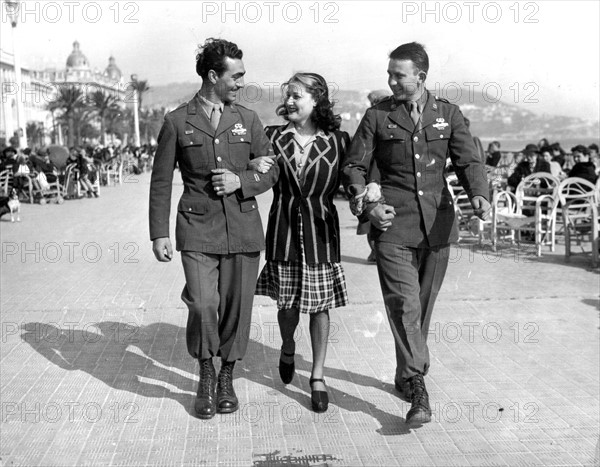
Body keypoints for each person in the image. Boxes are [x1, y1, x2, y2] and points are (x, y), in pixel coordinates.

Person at [341, 42, 490, 425]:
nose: (391, 81)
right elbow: (353, 166)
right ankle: (418, 389)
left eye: (398, 75)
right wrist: (368, 204)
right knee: (404, 305)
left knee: (420, 309)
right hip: (392, 226)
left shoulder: (448, 114)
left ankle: (404, 374)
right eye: (389, 74)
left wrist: (479, 195)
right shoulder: (377, 116)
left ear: (421, 77)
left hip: (437, 226)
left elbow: (468, 159)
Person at [149, 38, 279, 419]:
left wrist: (243, 181)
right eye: (235, 76)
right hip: (197, 228)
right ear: (212, 76)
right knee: (204, 303)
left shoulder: (249, 120)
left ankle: (227, 376)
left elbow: (270, 169)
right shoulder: (177, 121)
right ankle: (205, 372)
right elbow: (160, 181)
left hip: (242, 228)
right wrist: (159, 233)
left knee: (237, 307)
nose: (241, 83)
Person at [254, 73, 349, 413]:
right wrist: (252, 163)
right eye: (288, 96)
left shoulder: (339, 141)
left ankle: (318, 376)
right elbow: (252, 170)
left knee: (320, 306)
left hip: (322, 232)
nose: (290, 102)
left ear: (316, 99)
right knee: (287, 304)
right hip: (284, 229)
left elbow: (354, 178)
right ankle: (288, 344)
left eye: (297, 95)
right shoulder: (271, 137)